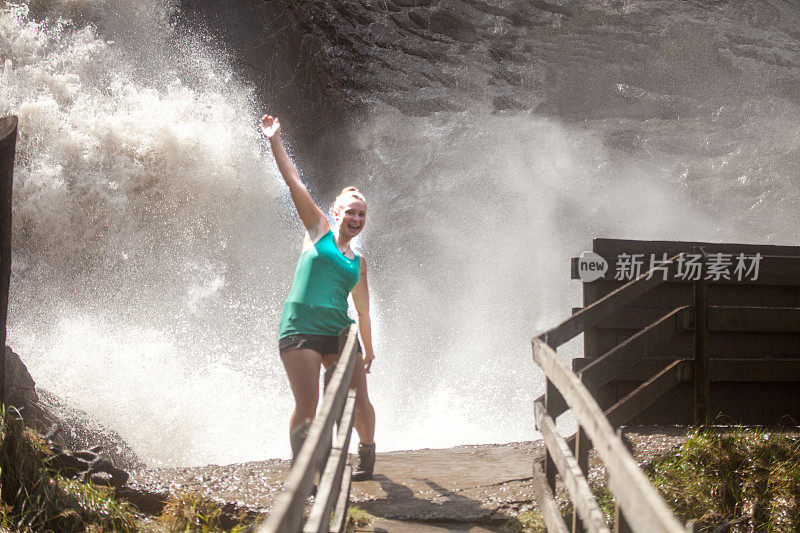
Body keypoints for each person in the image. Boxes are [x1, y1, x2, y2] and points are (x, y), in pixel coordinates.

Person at [260, 114, 377, 481]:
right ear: (336, 213)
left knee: (358, 404)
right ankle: (305, 474)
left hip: (340, 333)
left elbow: (362, 309)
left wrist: (369, 348)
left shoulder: (358, 263)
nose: (356, 218)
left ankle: (368, 458)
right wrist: (275, 140)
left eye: (362, 214)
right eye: (351, 212)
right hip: (300, 329)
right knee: (308, 407)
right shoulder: (318, 232)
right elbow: (293, 180)